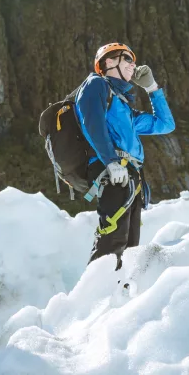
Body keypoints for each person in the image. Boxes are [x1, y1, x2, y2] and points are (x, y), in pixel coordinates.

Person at [75, 43, 175, 270]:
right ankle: (94, 298)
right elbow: (93, 123)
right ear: (109, 62)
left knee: (130, 247)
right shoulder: (96, 84)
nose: (133, 64)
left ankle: (120, 298)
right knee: (112, 240)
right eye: (127, 59)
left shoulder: (123, 106)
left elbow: (165, 124)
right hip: (112, 171)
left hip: (129, 175)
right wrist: (110, 161)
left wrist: (152, 89)